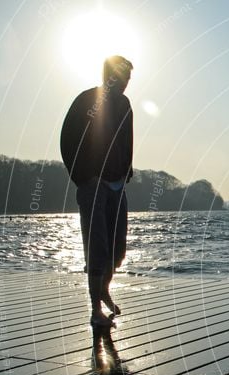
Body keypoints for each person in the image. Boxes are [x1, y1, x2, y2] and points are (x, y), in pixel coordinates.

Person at [61, 55, 134, 327]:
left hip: (117, 184)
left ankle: (104, 288)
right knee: (97, 248)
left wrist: (127, 169)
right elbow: (68, 138)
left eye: (129, 78)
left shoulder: (126, 105)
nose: (126, 82)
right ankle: (95, 310)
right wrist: (82, 176)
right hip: (93, 184)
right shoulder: (87, 100)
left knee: (118, 251)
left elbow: (127, 139)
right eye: (123, 76)